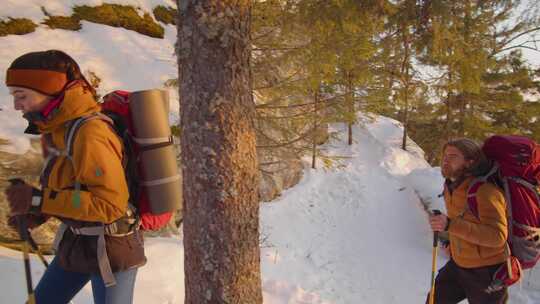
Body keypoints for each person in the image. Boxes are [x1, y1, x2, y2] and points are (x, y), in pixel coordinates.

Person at [4, 50, 145, 304]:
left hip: (112, 246)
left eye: (21, 95)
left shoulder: (90, 133)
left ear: (48, 90)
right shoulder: (59, 128)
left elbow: (109, 206)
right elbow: (69, 187)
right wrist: (36, 213)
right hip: (78, 241)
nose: (16, 105)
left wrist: (40, 201)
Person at [427, 138, 508, 304]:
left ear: (470, 162)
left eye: (453, 156)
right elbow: (464, 218)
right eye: (445, 156)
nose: (445, 160)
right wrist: (452, 240)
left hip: (487, 272)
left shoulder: (485, 191)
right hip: (458, 264)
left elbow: (498, 236)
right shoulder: (451, 185)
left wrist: (450, 225)